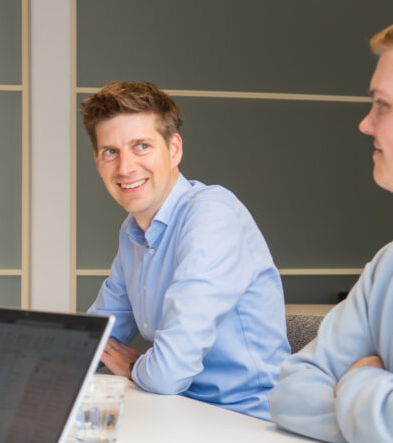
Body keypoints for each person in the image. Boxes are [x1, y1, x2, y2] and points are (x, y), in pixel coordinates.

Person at [81, 81, 289, 420]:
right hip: (181, 411)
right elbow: (95, 337)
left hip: (248, 420)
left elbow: (167, 373)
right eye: (110, 152)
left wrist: (135, 368)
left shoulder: (211, 215)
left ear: (174, 149)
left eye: (141, 146)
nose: (125, 167)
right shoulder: (133, 231)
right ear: (97, 161)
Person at [271, 25, 393, 443]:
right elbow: (291, 393)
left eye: (383, 105)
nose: (365, 123)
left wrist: (357, 382)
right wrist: (375, 418)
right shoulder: (387, 265)